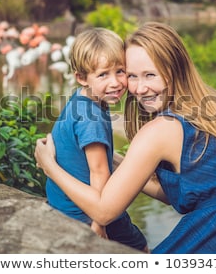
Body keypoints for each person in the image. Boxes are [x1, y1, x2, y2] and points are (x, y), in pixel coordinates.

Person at [35, 22, 216, 254]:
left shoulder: (160, 129)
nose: (140, 89)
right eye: (131, 76)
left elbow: (104, 213)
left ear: (174, 70)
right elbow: (184, 192)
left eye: (150, 75)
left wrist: (50, 166)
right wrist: (121, 163)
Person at [44, 27, 148, 252]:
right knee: (140, 248)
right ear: (81, 77)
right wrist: (99, 222)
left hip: (61, 202)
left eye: (120, 71)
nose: (115, 83)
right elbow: (99, 172)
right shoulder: (92, 119)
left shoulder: (82, 99)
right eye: (103, 74)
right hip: (85, 211)